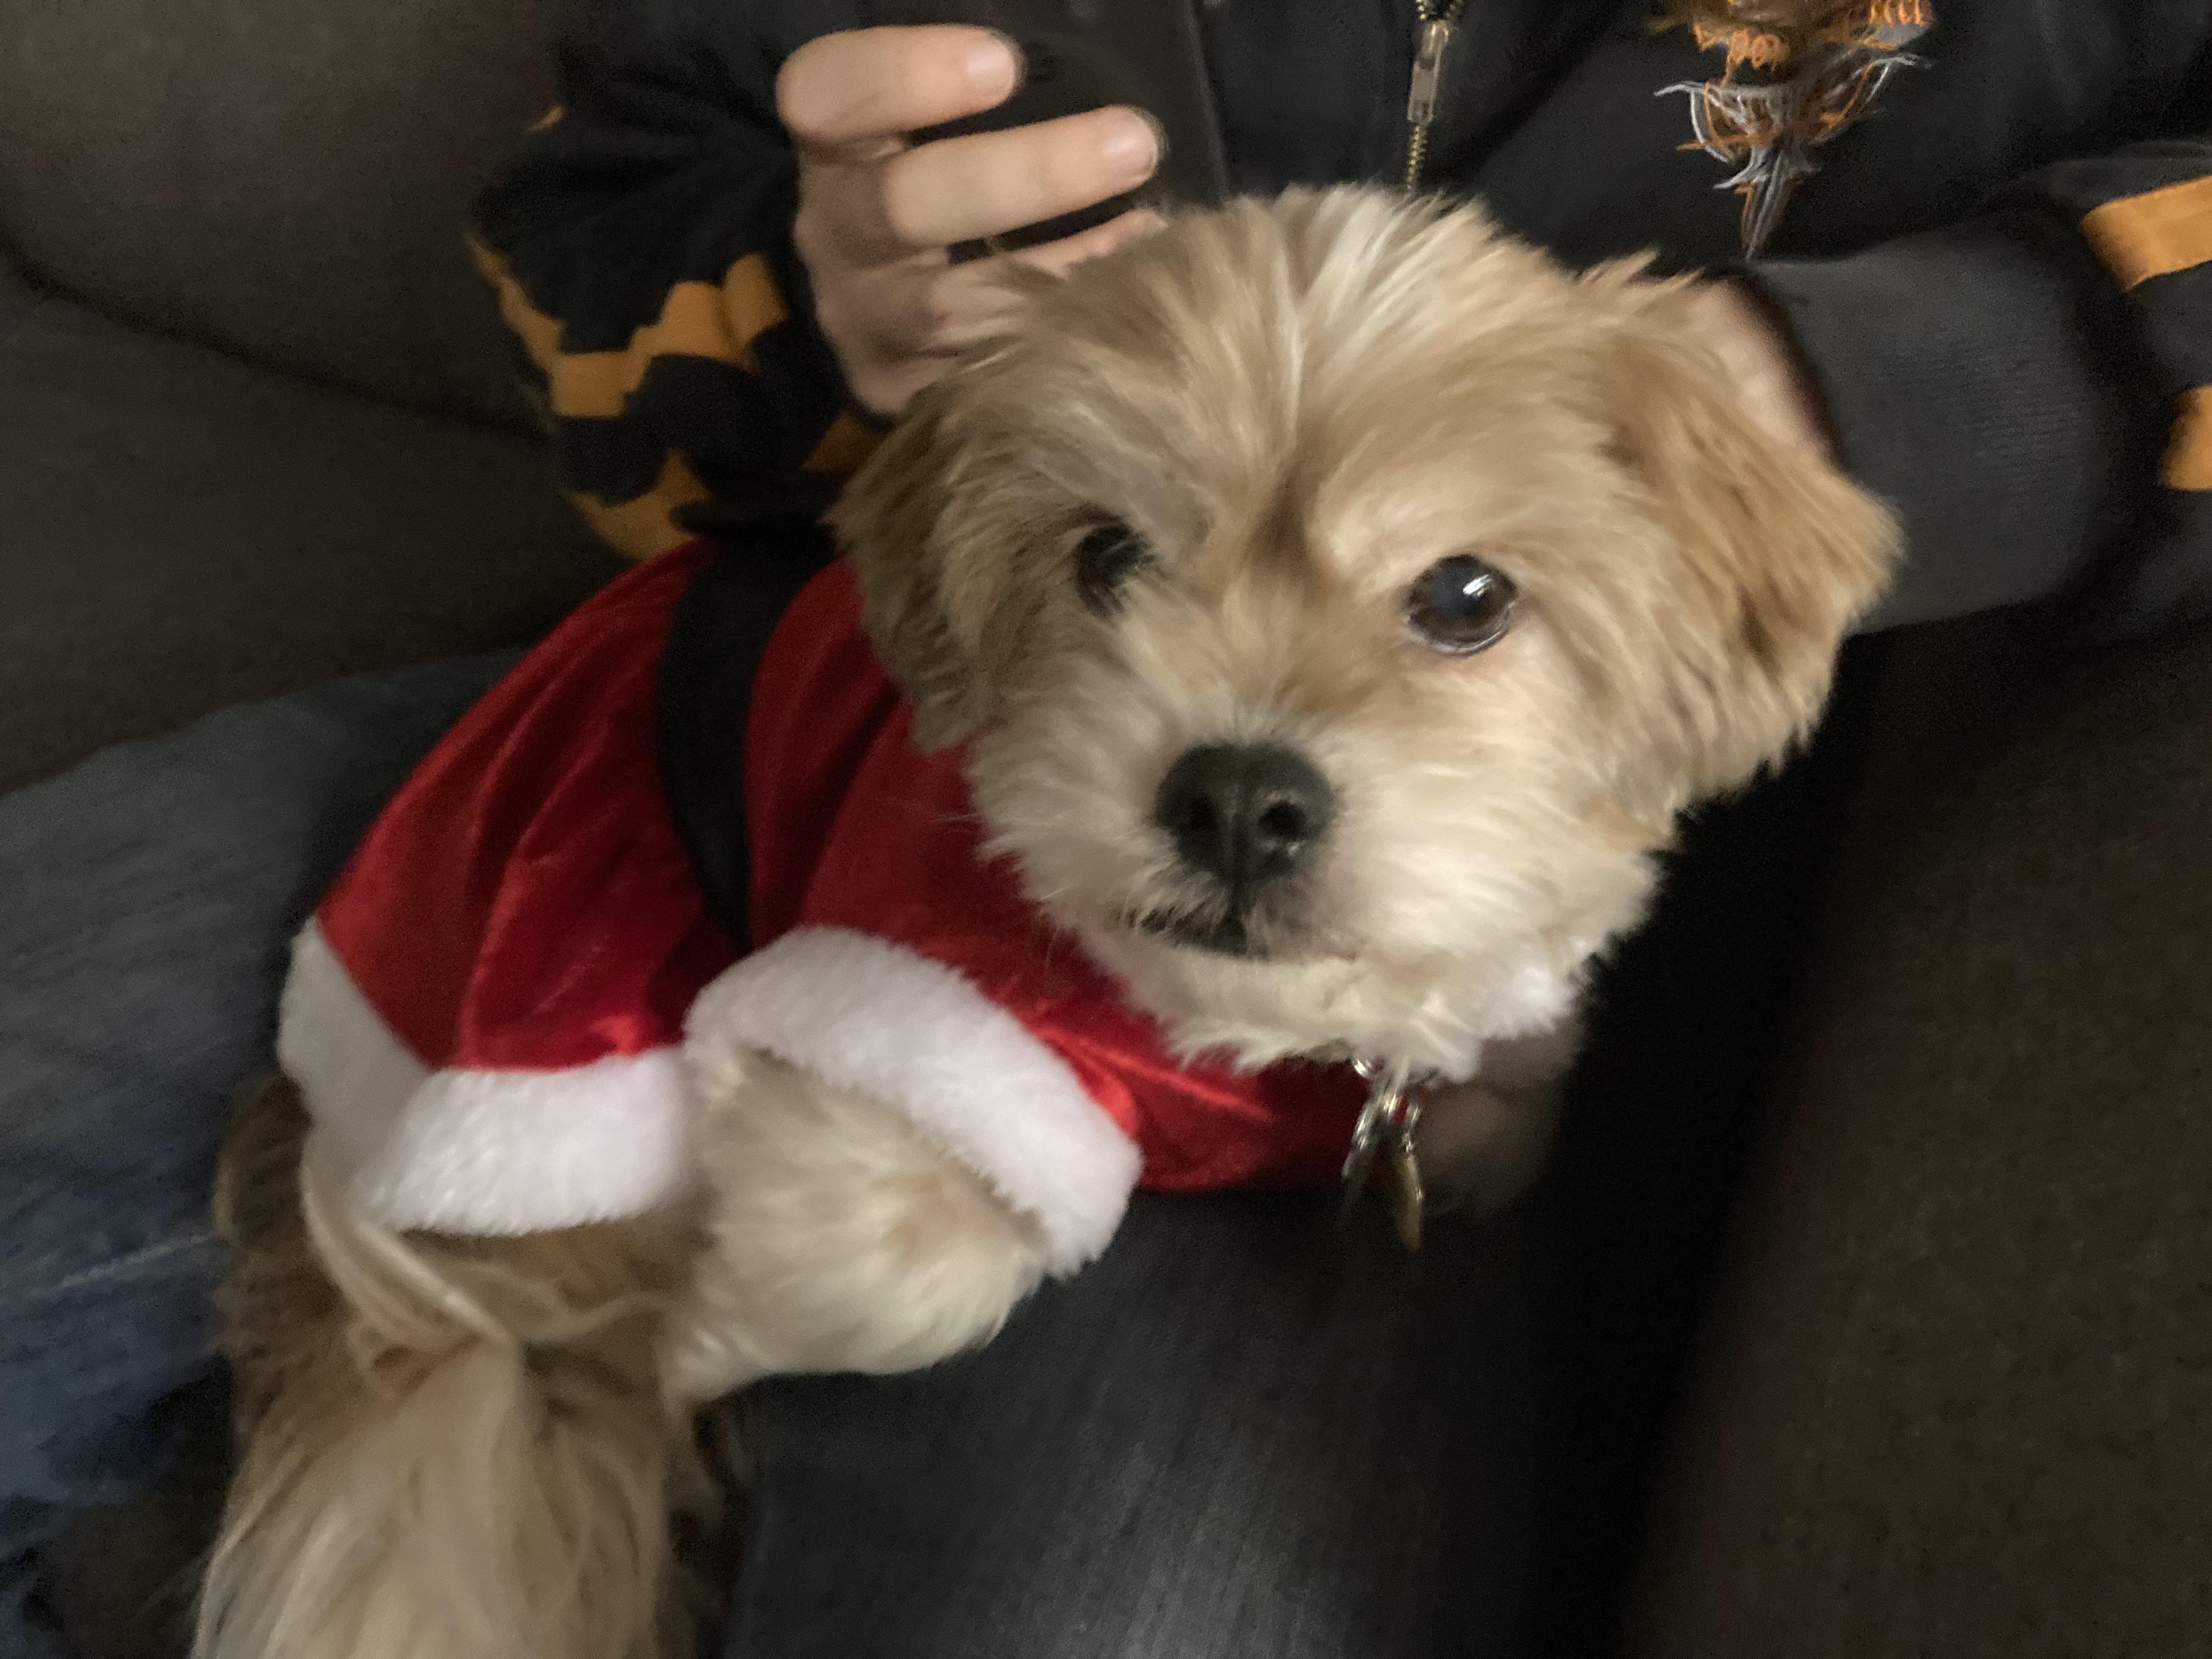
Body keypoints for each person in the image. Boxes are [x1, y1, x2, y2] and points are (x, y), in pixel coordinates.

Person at [4, 3, 2208, 1654]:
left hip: (1463, 975)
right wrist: (803, 287)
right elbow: (606, 198)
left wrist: (1877, 393)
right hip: (777, 693)